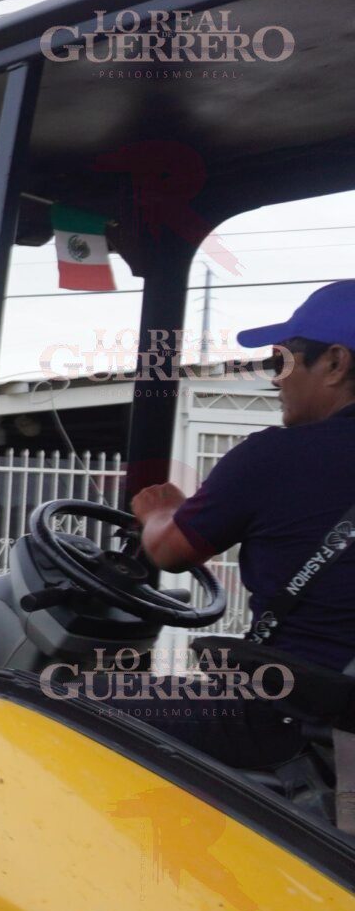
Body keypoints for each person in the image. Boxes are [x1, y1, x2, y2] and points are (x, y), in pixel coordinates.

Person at [132, 281, 355, 769]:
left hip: (295, 719)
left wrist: (158, 511)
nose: (276, 380)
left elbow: (170, 550)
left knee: (58, 703)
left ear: (336, 363)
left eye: (285, 362)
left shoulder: (273, 457)